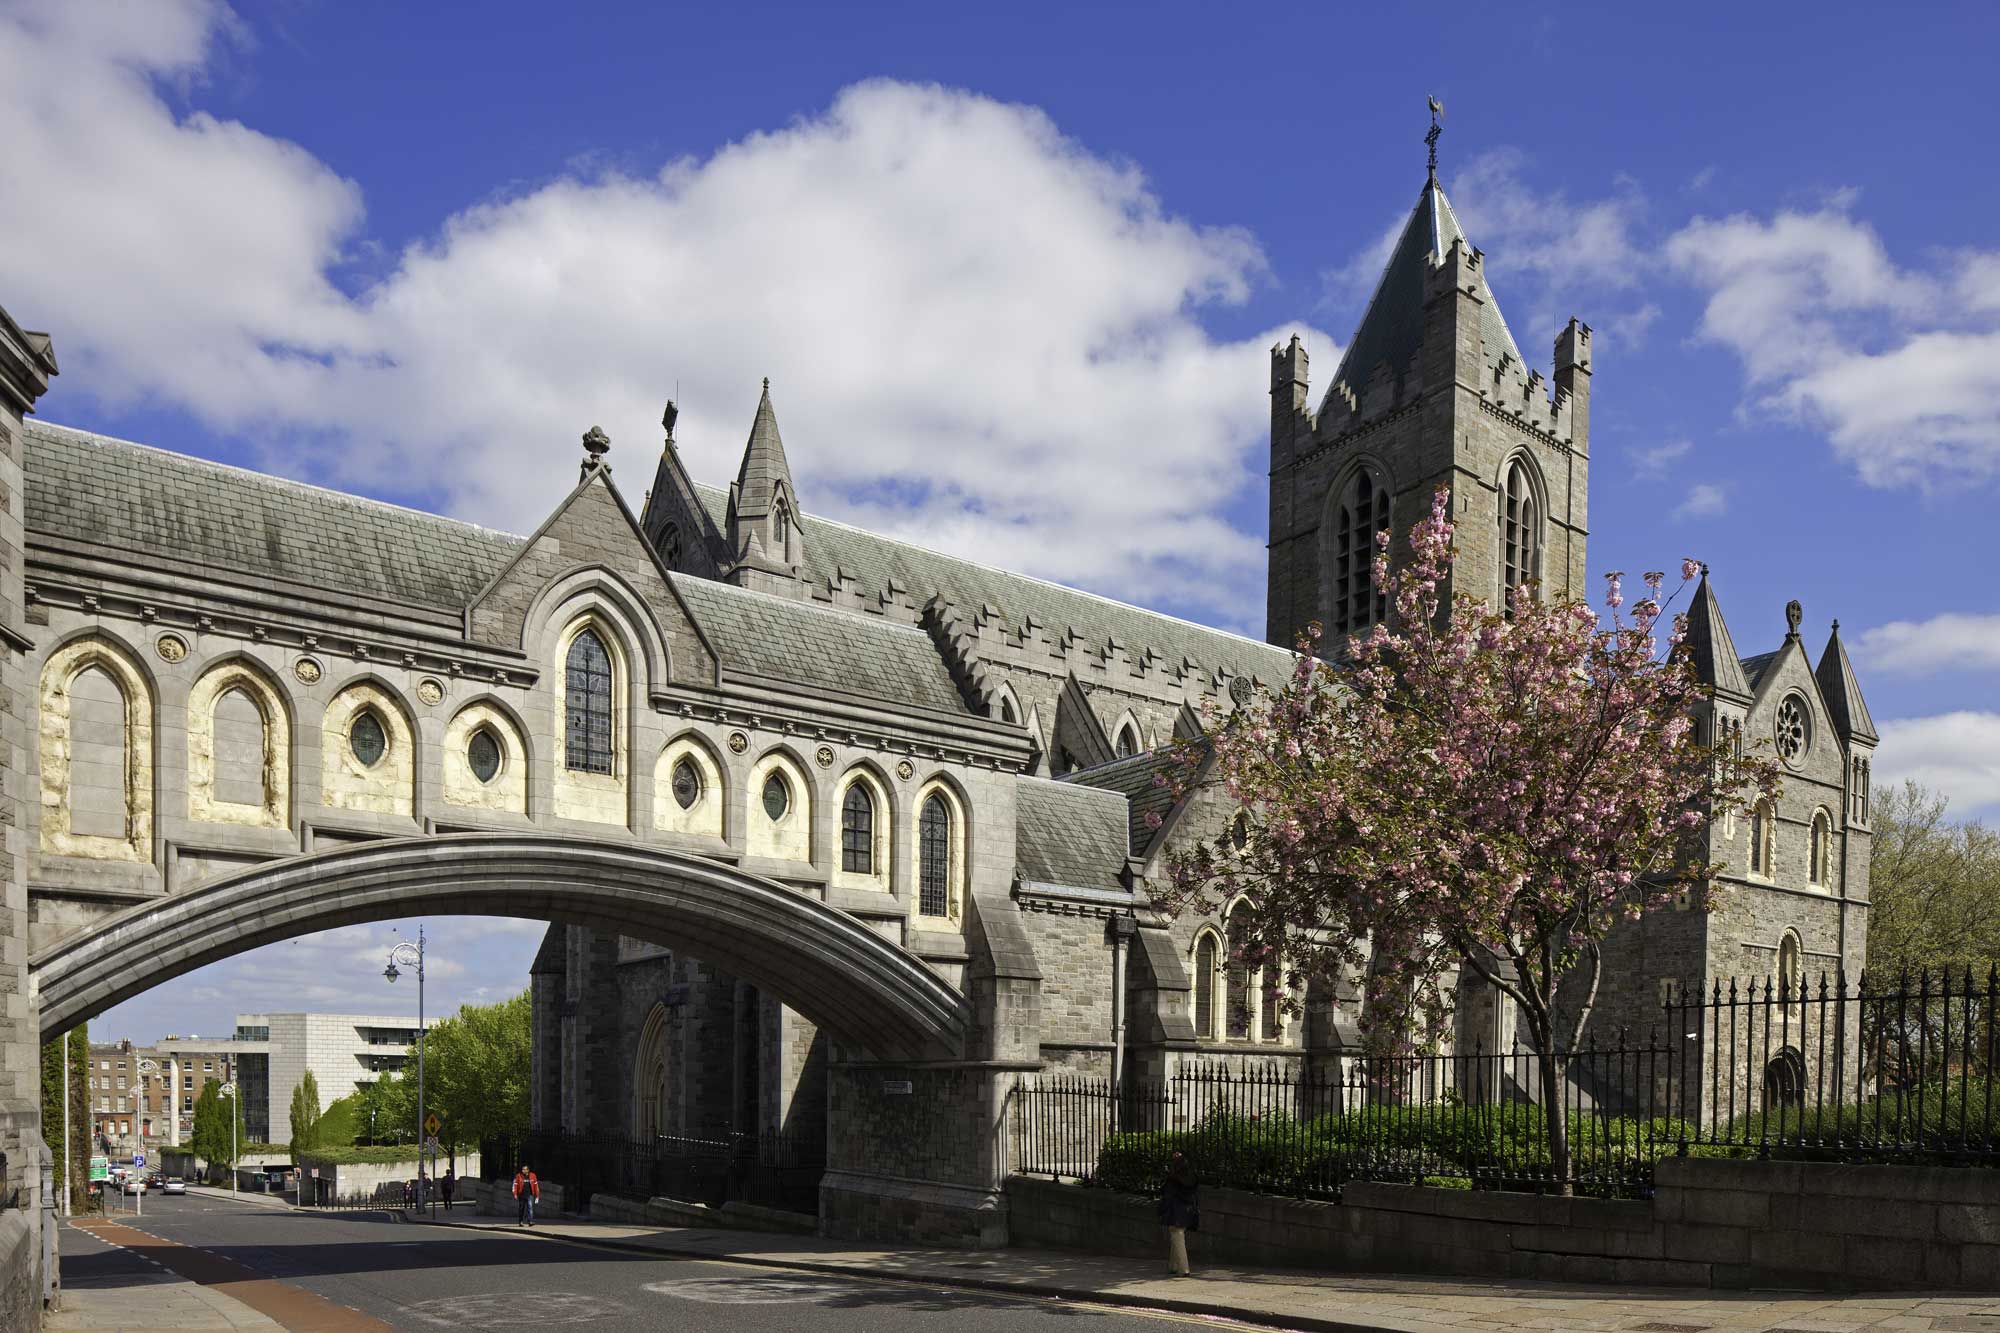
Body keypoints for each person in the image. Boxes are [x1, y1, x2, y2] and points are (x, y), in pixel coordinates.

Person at [1158, 1151, 1199, 1277]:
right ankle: (1173, 1265)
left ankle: (1183, 1268)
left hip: (1176, 1210)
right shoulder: (1192, 1176)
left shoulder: (1173, 1178)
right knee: (1176, 1235)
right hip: (1189, 1209)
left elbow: (1167, 1194)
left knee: (1177, 1234)